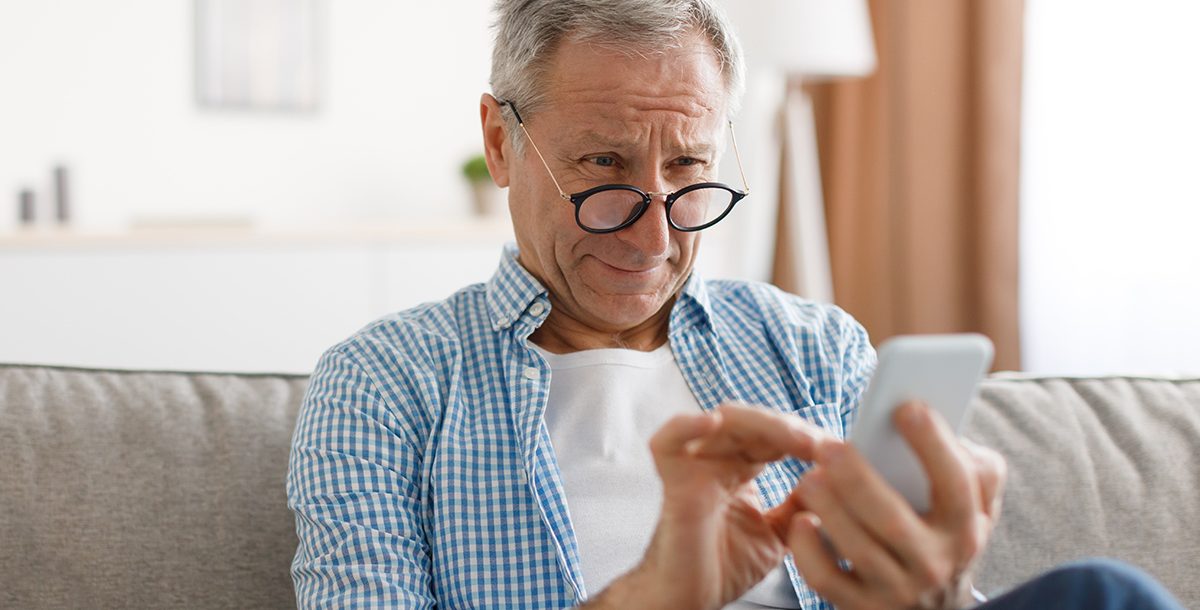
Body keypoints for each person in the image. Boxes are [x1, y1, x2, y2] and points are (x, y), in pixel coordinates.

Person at [286, 1, 1185, 608]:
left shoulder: (815, 346)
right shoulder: (384, 384)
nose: (651, 239)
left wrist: (933, 587)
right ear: (501, 141)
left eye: (687, 171)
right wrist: (660, 593)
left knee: (1104, 595)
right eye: (602, 169)